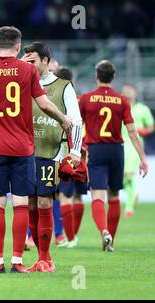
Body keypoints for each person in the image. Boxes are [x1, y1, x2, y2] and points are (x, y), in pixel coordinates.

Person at [0, 26, 73, 273]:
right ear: (19, 45)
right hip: (23, 147)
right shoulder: (27, 69)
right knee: (21, 203)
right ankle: (18, 262)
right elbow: (43, 103)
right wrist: (62, 118)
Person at [21, 43, 82, 272]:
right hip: (24, 153)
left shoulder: (63, 86)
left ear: (45, 60)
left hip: (51, 152)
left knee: (45, 202)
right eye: (25, 61)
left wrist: (75, 151)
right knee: (30, 205)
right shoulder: (21, 84)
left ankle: (45, 258)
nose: (28, 65)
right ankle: (41, 257)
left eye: (32, 61)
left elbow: (75, 119)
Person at [79, 60, 148, 252]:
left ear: (96, 76)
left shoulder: (86, 99)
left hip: (96, 149)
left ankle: (104, 231)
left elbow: (76, 125)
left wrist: (76, 151)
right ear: (113, 77)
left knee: (97, 196)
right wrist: (142, 158)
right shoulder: (122, 100)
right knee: (115, 195)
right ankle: (111, 241)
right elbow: (133, 132)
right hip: (117, 150)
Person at [55, 66, 88, 246]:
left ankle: (70, 238)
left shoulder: (59, 101)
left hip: (66, 152)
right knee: (78, 196)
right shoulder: (82, 100)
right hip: (83, 154)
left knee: (64, 196)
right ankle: (73, 236)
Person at [121, 84, 154, 217]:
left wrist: (143, 131)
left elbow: (151, 126)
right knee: (122, 177)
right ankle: (133, 194)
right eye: (125, 91)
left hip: (135, 146)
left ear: (135, 93)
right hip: (120, 145)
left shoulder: (142, 109)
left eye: (130, 91)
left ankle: (129, 207)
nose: (127, 93)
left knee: (129, 175)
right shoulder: (119, 108)